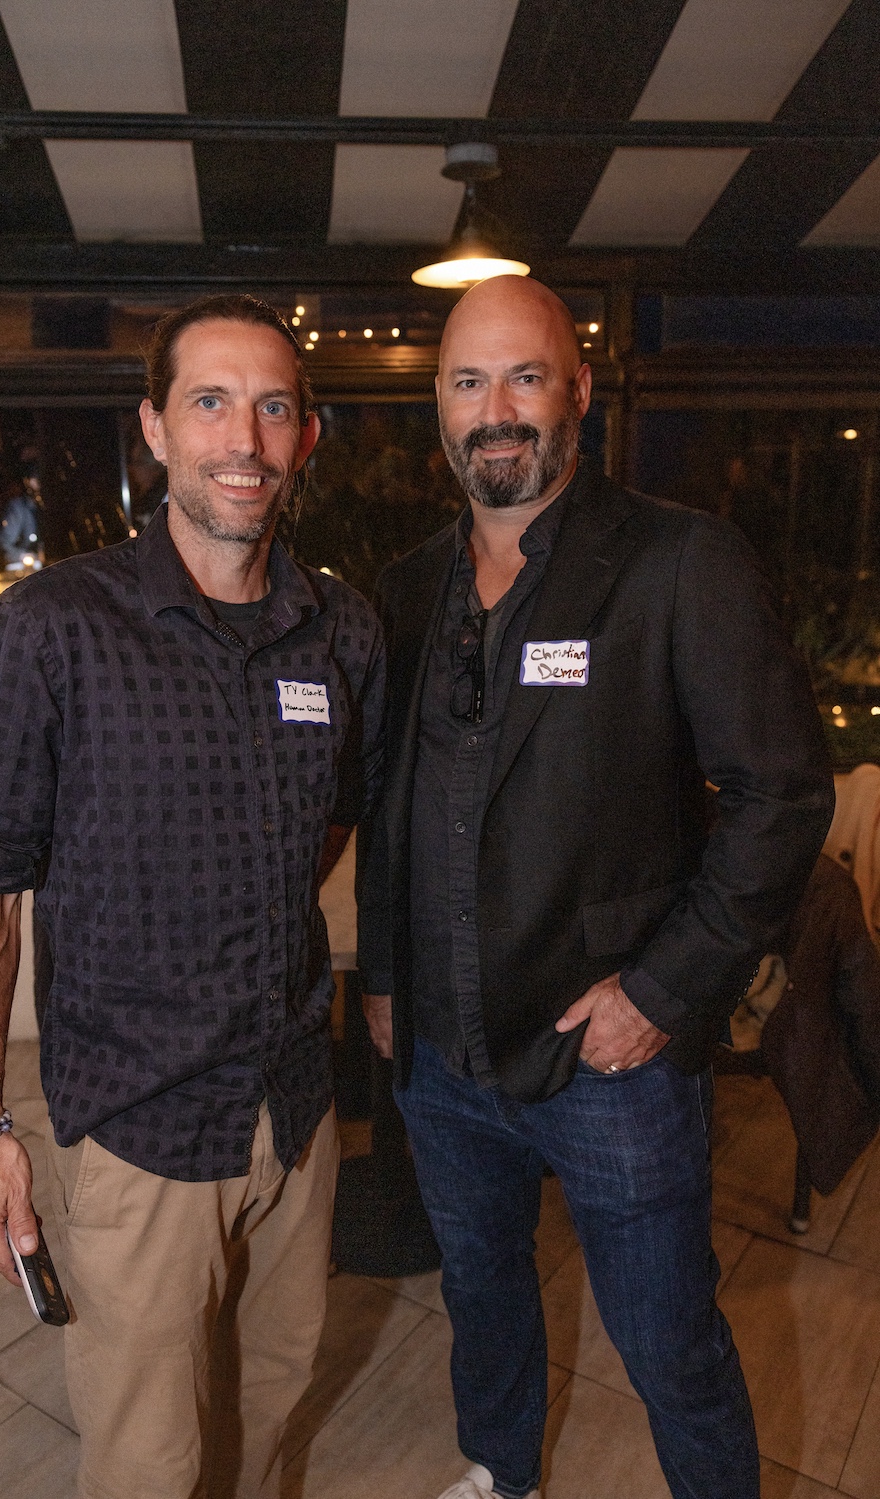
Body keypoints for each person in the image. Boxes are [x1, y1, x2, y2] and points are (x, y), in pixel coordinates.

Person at [356, 275, 834, 1499]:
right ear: (439, 407)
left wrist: (663, 992)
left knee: (668, 1341)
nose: (496, 409)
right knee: (480, 1293)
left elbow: (782, 795)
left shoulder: (678, 560)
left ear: (576, 389)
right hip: (442, 1057)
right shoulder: (403, 591)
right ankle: (502, 1473)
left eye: (525, 376)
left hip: (608, 1060)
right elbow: (392, 808)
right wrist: (384, 977)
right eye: (469, 382)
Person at [0, 293, 384, 1499]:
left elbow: (337, 812)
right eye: (211, 401)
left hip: (294, 1110)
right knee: (148, 1460)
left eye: (273, 407)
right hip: (139, 1128)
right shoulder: (53, 629)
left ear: (306, 436)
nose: (244, 437)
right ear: (155, 426)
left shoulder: (341, 630)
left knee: (269, 1408)